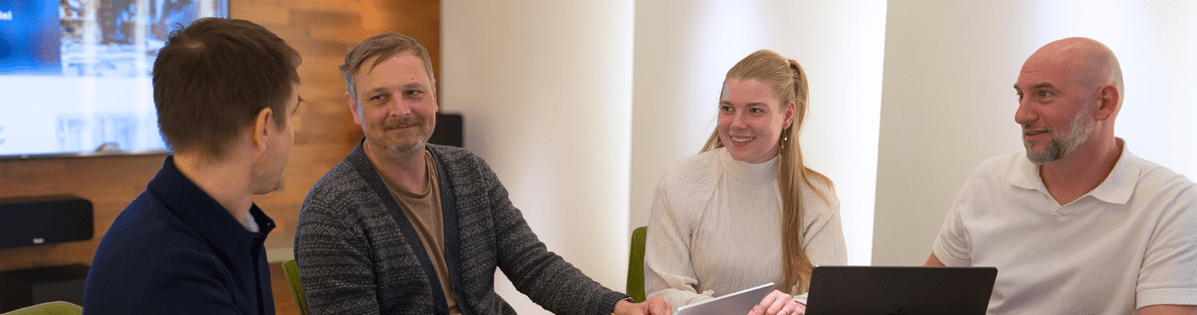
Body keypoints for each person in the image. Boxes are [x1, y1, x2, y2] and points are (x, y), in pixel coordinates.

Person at [293, 32, 670, 315]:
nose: (401, 109)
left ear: (434, 96)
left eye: (413, 92)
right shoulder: (330, 212)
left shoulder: (468, 171)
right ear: (354, 108)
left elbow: (534, 267)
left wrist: (616, 307)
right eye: (379, 97)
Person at [925, 37, 1197, 314]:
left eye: (1044, 94)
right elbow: (926, 301)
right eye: (1021, 95)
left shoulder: (1172, 203)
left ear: (1104, 103)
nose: (1021, 115)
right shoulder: (989, 181)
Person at [83, 18, 302, 314]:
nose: (292, 133)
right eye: (290, 114)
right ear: (262, 128)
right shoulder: (174, 279)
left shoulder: (229, 224)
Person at [644, 49, 847, 315]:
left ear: (787, 116)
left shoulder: (817, 197)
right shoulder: (678, 184)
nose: (736, 124)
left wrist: (795, 306)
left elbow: (830, 298)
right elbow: (664, 296)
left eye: (754, 110)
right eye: (728, 109)